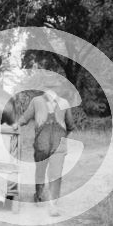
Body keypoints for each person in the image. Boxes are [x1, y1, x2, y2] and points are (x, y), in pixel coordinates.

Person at [14, 78, 74, 217]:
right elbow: (70, 125)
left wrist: (16, 124)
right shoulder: (64, 103)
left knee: (41, 171)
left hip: (42, 141)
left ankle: (40, 197)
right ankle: (51, 203)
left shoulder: (36, 101)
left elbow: (25, 118)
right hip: (56, 142)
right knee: (56, 174)